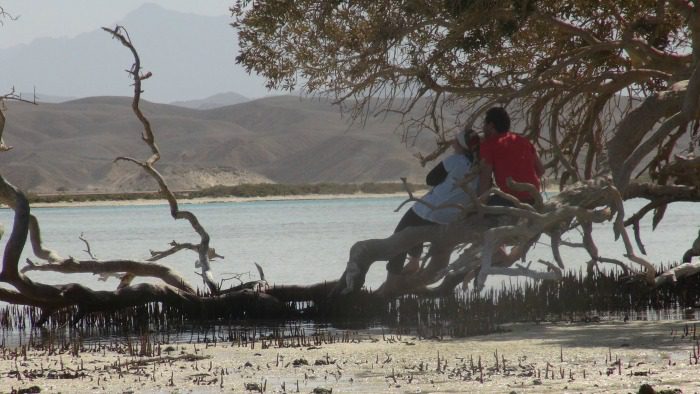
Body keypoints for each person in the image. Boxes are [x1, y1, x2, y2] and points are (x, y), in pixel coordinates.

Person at [381, 128, 480, 292]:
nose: (453, 143)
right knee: (415, 233)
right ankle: (414, 265)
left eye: (455, 141)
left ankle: (400, 274)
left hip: (431, 209)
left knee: (399, 236)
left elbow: (430, 179)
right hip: (452, 216)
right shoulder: (481, 167)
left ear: (461, 145)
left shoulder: (456, 160)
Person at [478, 107, 544, 205]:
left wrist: (479, 203)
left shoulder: (488, 146)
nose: (483, 128)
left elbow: (485, 179)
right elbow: (541, 170)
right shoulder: (523, 140)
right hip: (534, 198)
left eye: (484, 124)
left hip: (512, 201)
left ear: (491, 126)